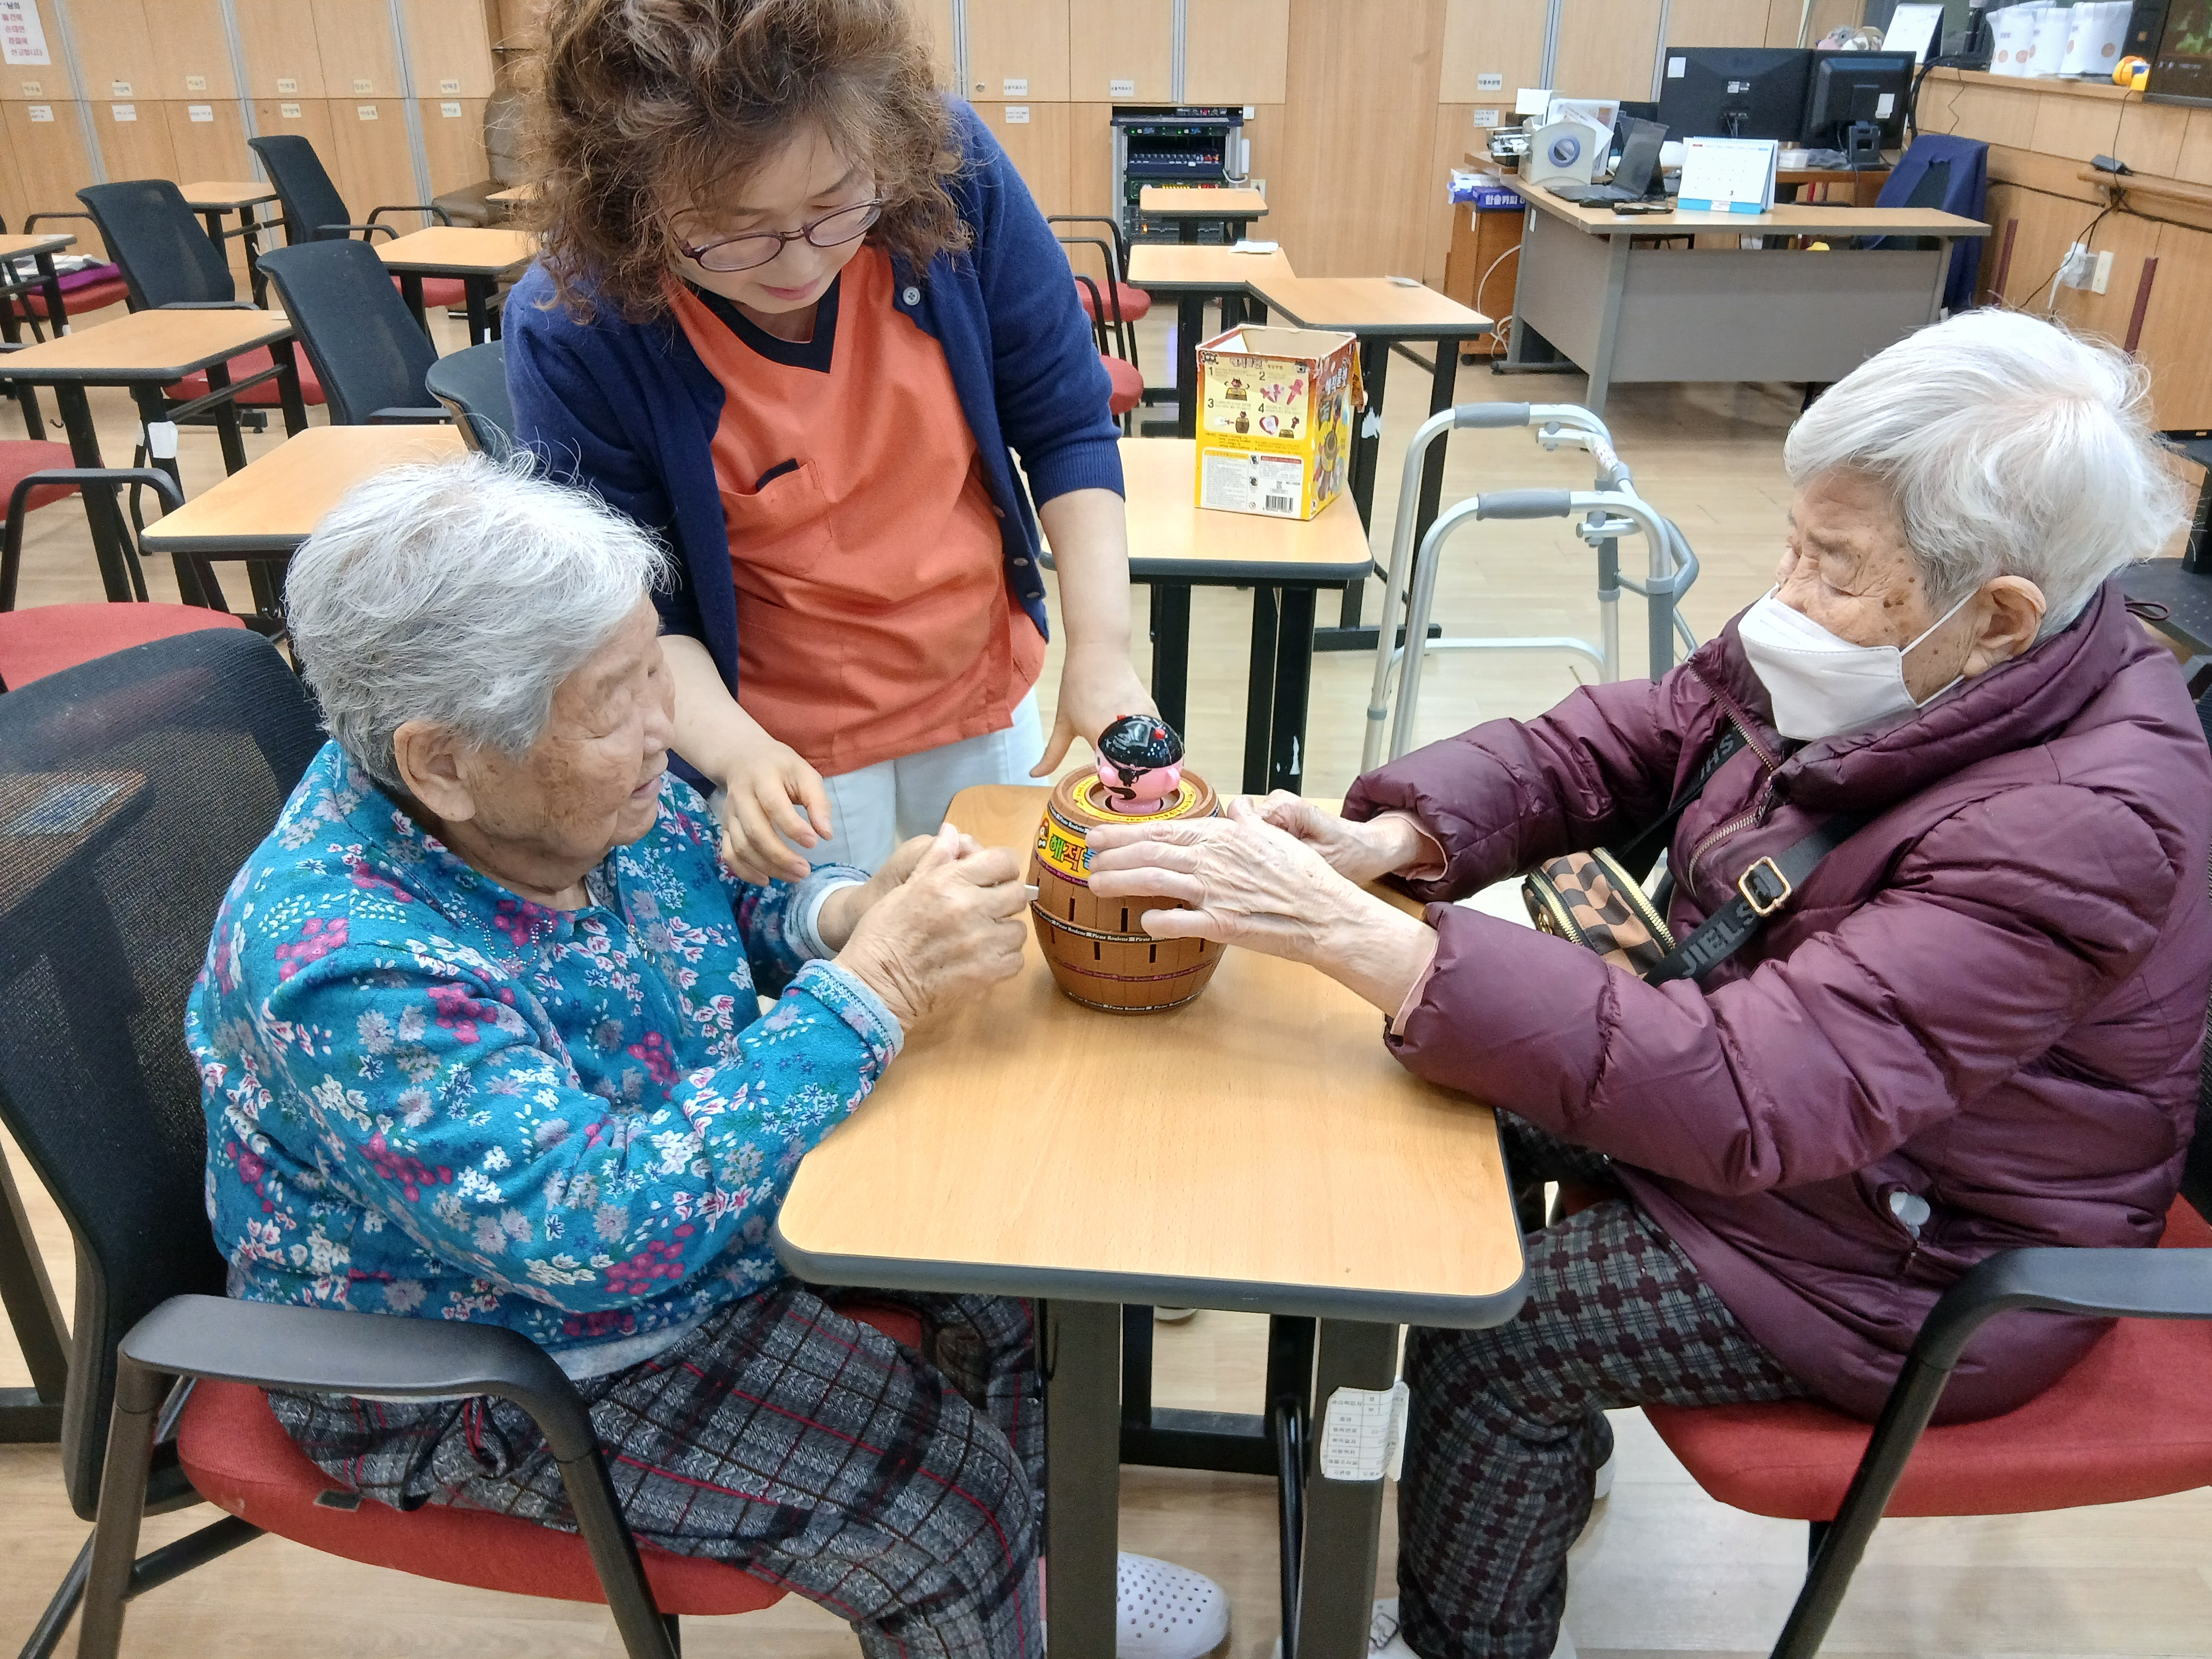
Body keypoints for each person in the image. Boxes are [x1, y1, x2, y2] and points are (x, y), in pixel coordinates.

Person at [1084, 310, 2212, 1659]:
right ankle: (1519, 1484)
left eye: (1834, 565)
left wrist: (1374, 943)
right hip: (1813, 1121)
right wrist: (1402, 836)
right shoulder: (1899, 652)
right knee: (1408, 1116)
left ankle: (1469, 1633)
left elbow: (1755, 1094)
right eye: (1794, 541)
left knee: (1499, 1335)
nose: (1785, 593)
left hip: (1916, 1247)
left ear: (2004, 616)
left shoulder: (2081, 824)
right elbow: (1650, 735)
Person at [187, 455, 1191, 1659]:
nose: (665, 725)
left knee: (1012, 1273)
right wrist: (873, 992)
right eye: (617, 700)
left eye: (651, 669)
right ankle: (993, 1567)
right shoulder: (347, 963)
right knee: (947, 1509)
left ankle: (1025, 1589)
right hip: (490, 1350)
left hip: (669, 1200)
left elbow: (710, 891)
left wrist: (839, 915)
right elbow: (595, 1234)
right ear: (442, 762)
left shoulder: (552, 789)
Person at [506, 0, 1153, 883]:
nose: (800, 263)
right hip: (782, 740)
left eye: (835, 205)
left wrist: (1102, 651)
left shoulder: (946, 171)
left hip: (975, 683)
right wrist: (740, 756)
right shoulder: (581, 322)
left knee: (1002, 925)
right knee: (845, 947)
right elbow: (632, 603)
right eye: (735, 230)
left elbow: (1066, 422)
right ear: (632, 206)